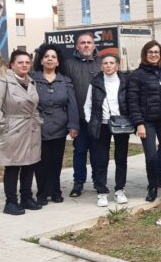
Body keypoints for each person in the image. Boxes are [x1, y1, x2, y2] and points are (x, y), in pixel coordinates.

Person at [0, 50, 42, 215]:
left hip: (31, 129)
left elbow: (34, 106)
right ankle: (10, 202)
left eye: (27, 62)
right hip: (12, 129)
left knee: (29, 165)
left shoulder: (31, 82)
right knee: (12, 167)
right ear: (12, 65)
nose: (24, 65)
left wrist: (38, 122)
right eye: (20, 62)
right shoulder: (2, 83)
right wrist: (4, 128)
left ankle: (26, 197)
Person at [128, 40, 161, 210]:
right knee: (151, 157)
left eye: (156, 52)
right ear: (145, 54)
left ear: (160, 54)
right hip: (147, 122)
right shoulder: (137, 75)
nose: (153, 54)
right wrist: (139, 123)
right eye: (150, 52)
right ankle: (152, 186)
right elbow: (132, 101)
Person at [31, 45, 79, 206]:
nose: (50, 59)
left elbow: (72, 104)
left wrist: (73, 125)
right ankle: (42, 192)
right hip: (38, 125)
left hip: (59, 125)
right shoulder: (32, 79)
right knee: (41, 161)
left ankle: (56, 191)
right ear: (42, 60)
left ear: (58, 62)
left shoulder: (65, 81)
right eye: (46, 56)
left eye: (53, 57)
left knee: (56, 161)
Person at [84, 53, 132, 207]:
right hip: (101, 124)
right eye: (105, 63)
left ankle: (119, 190)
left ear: (117, 65)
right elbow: (88, 105)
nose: (109, 65)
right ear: (101, 66)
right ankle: (102, 192)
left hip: (121, 124)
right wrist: (90, 120)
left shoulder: (125, 80)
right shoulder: (95, 82)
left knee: (121, 158)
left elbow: (132, 101)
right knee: (100, 159)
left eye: (112, 62)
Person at [60, 32, 101, 198]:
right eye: (82, 43)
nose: (86, 45)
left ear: (94, 45)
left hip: (98, 119)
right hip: (79, 118)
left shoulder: (101, 64)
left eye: (89, 42)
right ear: (77, 46)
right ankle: (78, 183)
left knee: (98, 152)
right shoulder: (69, 65)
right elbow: (67, 94)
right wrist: (72, 122)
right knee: (80, 152)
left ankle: (99, 181)